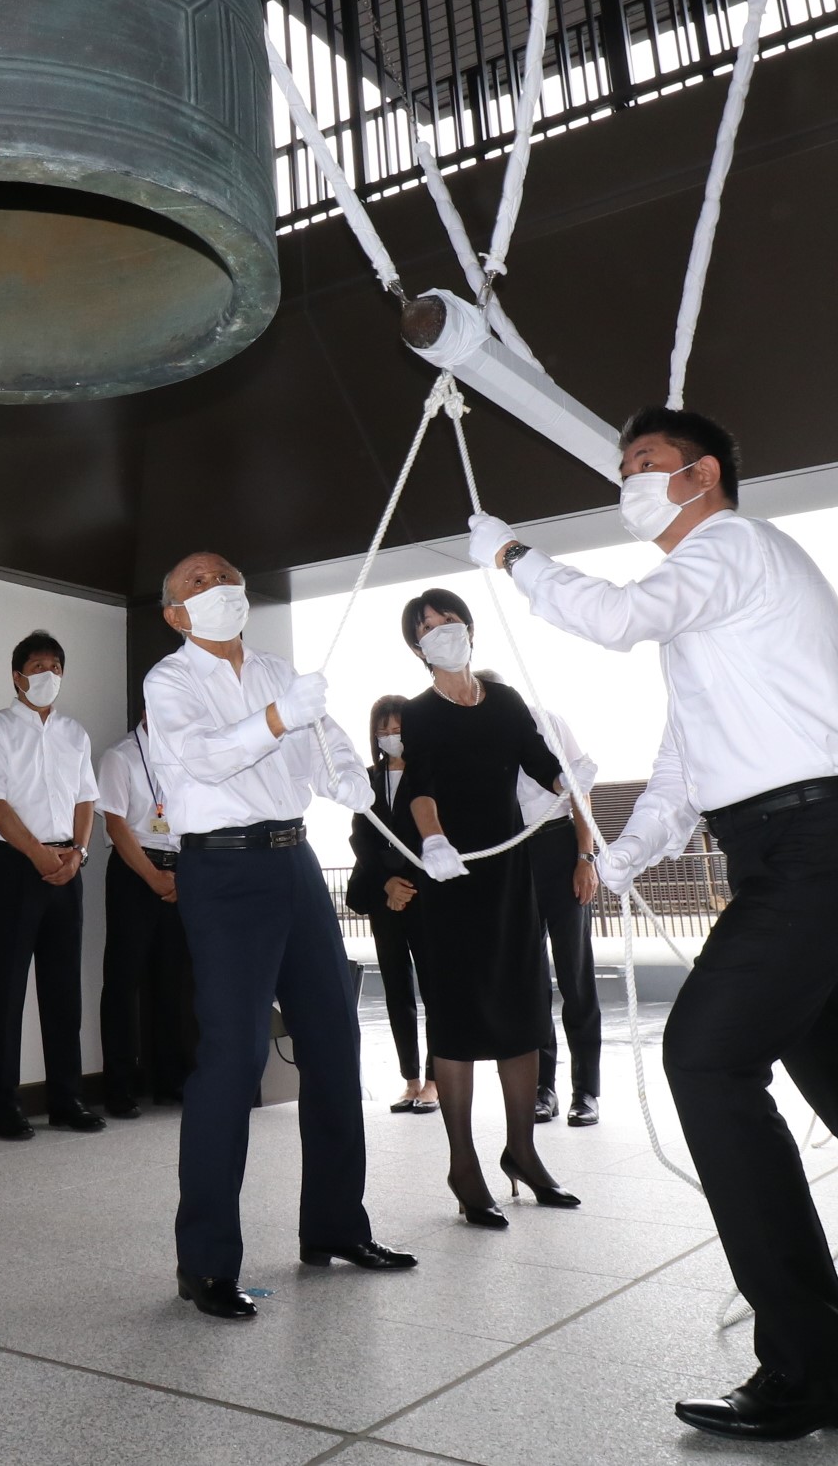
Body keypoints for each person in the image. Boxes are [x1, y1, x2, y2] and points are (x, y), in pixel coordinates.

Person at [469, 408, 838, 1443]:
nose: (626, 484)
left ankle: (811, 1370)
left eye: (643, 467)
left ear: (701, 476)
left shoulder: (731, 547)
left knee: (705, 1059)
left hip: (814, 848)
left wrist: (517, 556)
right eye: (621, 469)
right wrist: (620, 853)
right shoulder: (715, 611)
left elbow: (614, 620)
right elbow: (683, 767)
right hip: (800, 848)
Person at [145, 552, 415, 1320]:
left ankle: (335, 1225)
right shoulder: (168, 682)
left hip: (293, 859)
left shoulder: (277, 671)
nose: (218, 586)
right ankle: (203, 1263)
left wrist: (346, 777)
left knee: (333, 1039)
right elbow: (204, 758)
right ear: (173, 613)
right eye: (196, 581)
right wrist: (279, 718)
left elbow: (319, 742)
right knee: (232, 1057)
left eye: (225, 575)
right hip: (223, 873)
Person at [391, 595, 588, 1225]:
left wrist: (577, 803)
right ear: (417, 649)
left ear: (469, 630)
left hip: (509, 877)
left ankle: (523, 1152)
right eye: (427, 630)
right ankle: (463, 1163)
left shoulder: (505, 703)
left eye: (447, 622)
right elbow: (419, 786)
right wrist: (434, 840)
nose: (441, 633)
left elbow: (545, 765)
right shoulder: (419, 714)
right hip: (451, 877)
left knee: (523, 1008)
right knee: (456, 1016)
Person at [0, 630, 105, 1141]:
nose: (48, 675)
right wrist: (38, 854)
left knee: (64, 987)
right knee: (4, 990)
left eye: (56, 667)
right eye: (38, 666)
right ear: (18, 675)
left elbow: (86, 798)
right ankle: (1, 1106)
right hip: (13, 867)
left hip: (69, 865)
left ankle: (67, 1100)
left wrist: (79, 853)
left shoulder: (75, 732)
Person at [504, 687, 603, 1127]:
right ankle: (543, 1088)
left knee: (575, 975)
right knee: (527, 981)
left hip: (558, 847)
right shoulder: (479, 734)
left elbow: (579, 791)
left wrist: (586, 858)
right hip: (510, 853)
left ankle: (587, 1092)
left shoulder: (546, 720)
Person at [96, 711, 196, 1118]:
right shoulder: (120, 756)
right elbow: (116, 826)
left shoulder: (187, 756)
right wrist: (153, 877)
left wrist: (179, 877)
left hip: (180, 870)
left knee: (177, 981)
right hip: (134, 871)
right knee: (123, 981)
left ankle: (173, 1080)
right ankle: (119, 1087)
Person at [344, 696, 436, 1115]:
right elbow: (360, 838)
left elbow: (435, 834)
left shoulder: (430, 772)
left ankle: (435, 1081)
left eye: (397, 729)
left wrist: (408, 884)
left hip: (426, 895)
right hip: (384, 897)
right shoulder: (366, 780)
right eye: (383, 731)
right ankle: (410, 1080)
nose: (390, 738)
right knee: (397, 989)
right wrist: (386, 884)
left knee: (436, 989)